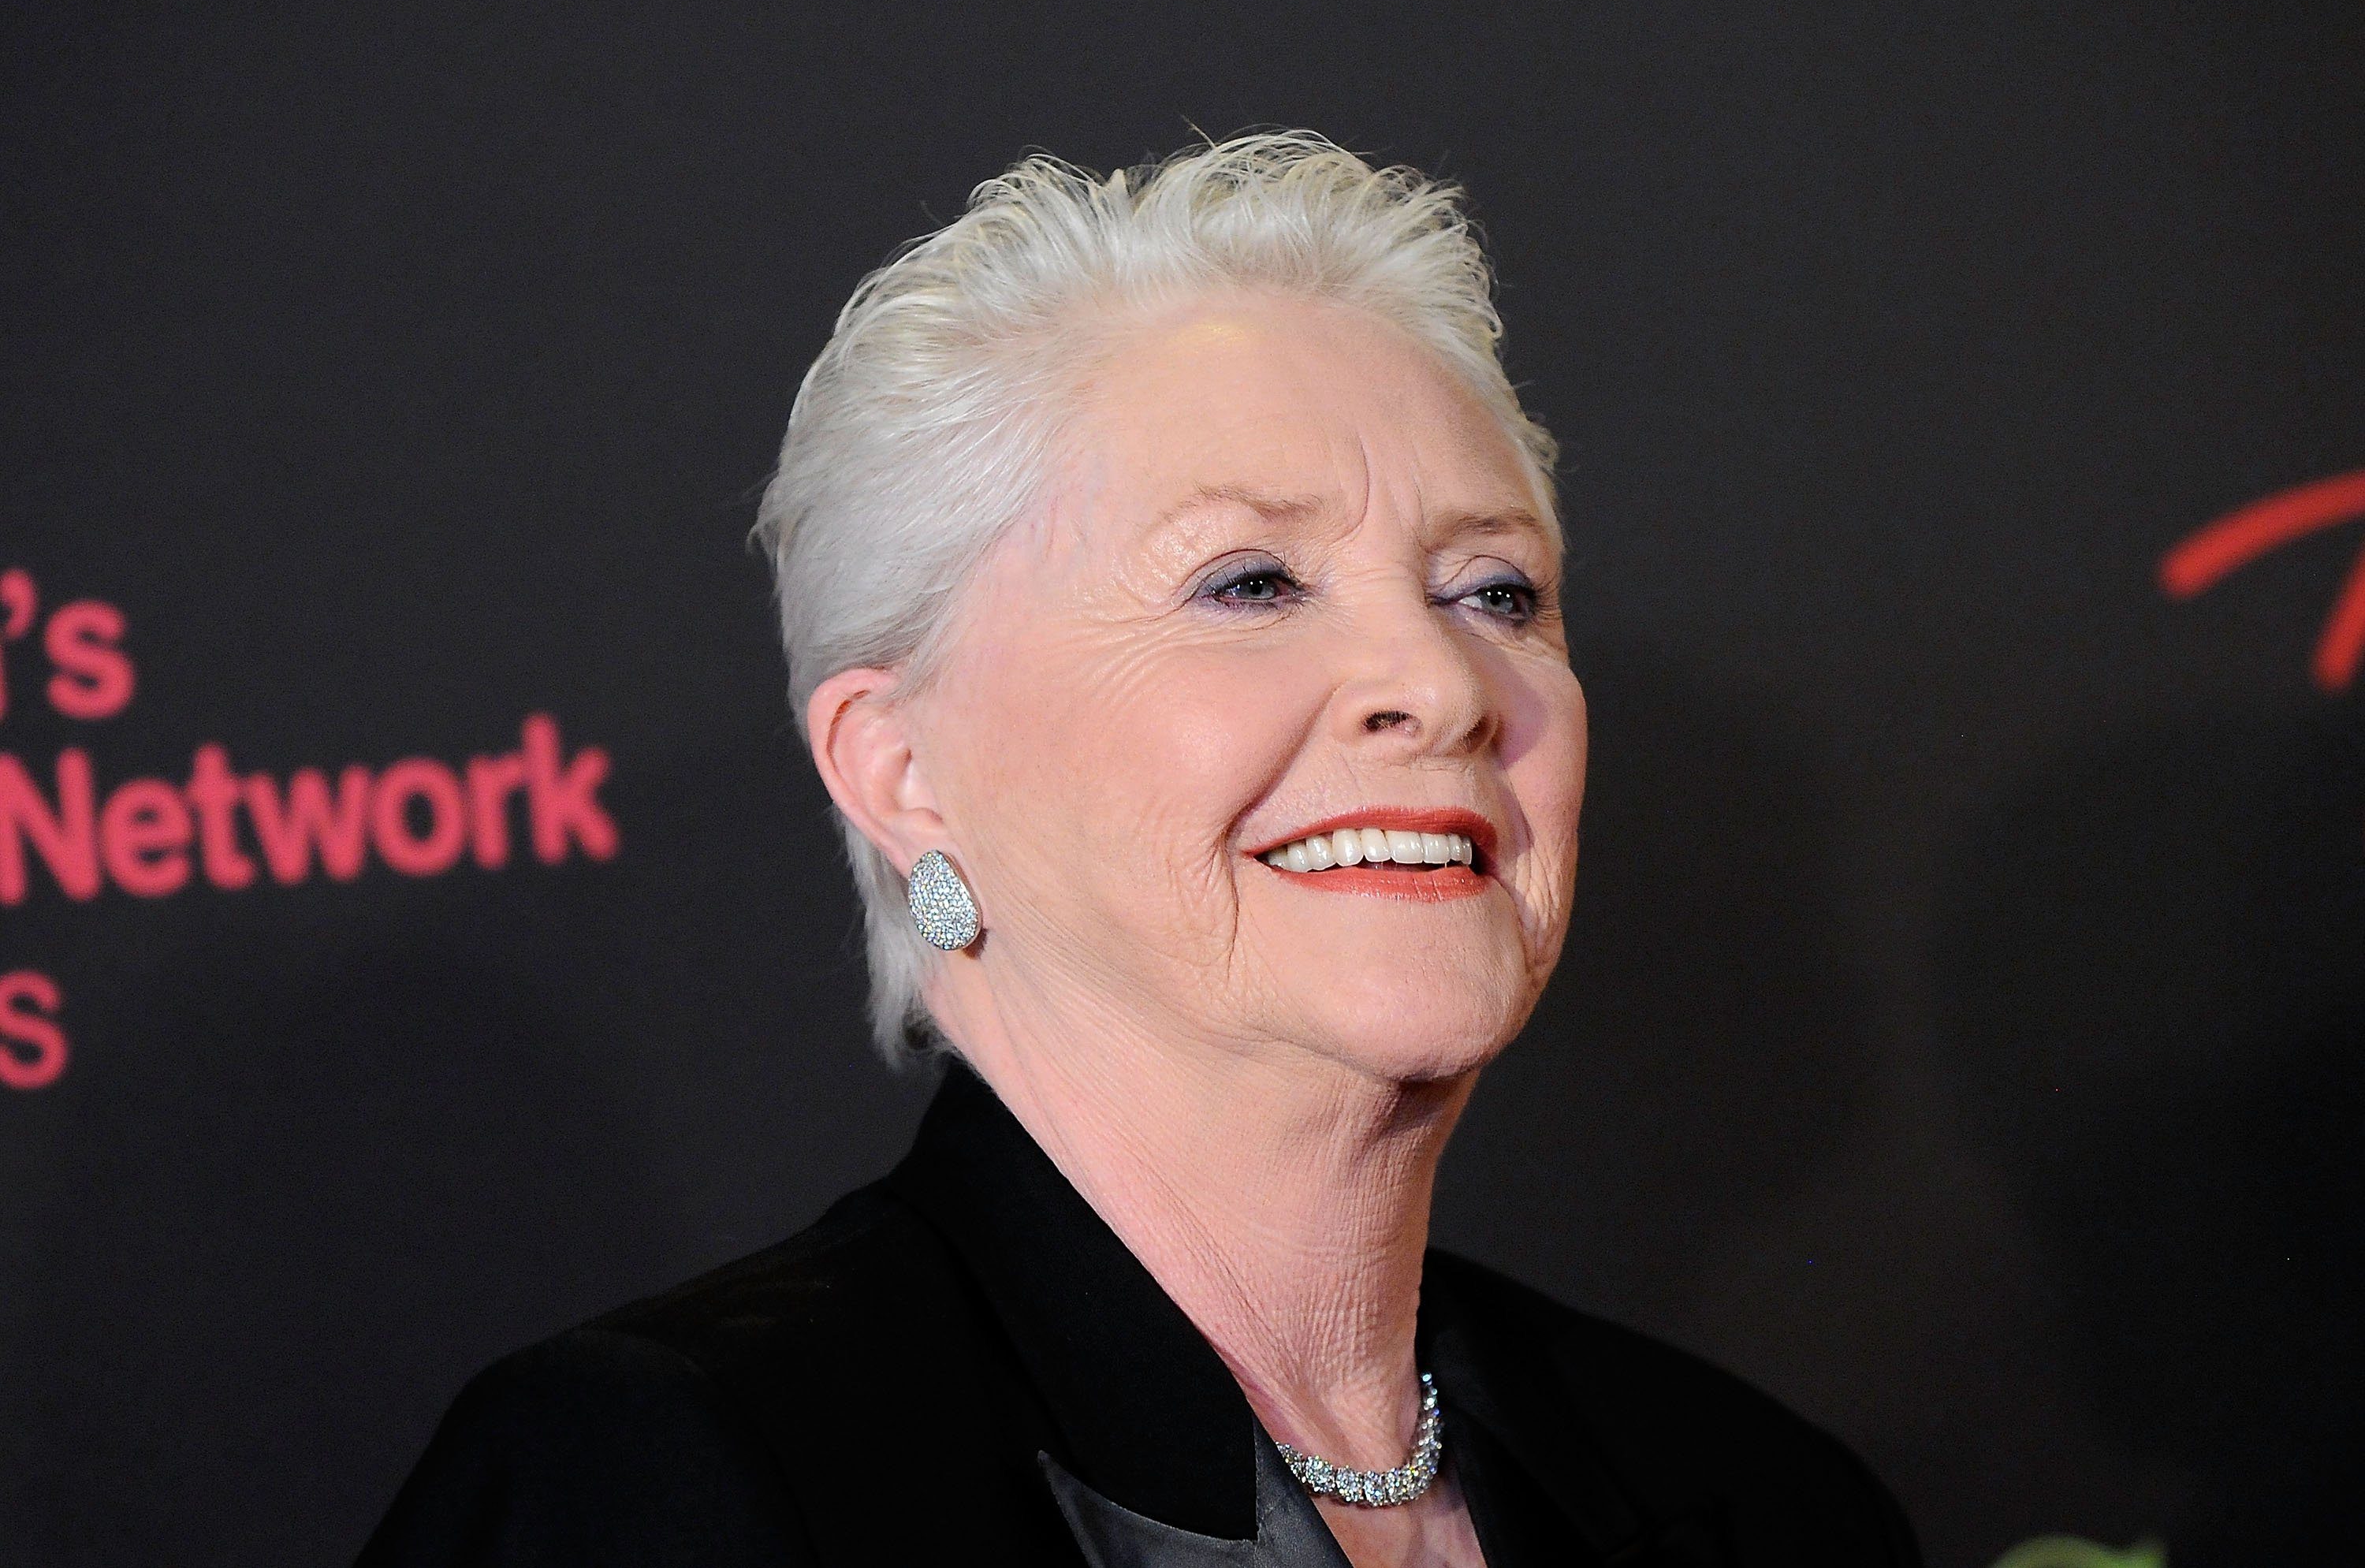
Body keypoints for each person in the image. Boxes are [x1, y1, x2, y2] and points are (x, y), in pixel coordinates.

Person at [359, 132, 1920, 1568]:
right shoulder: (679, 1482)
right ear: (902, 768)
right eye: (1251, 583)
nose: (1441, 689)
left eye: (1494, 593)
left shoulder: (1757, 1503)